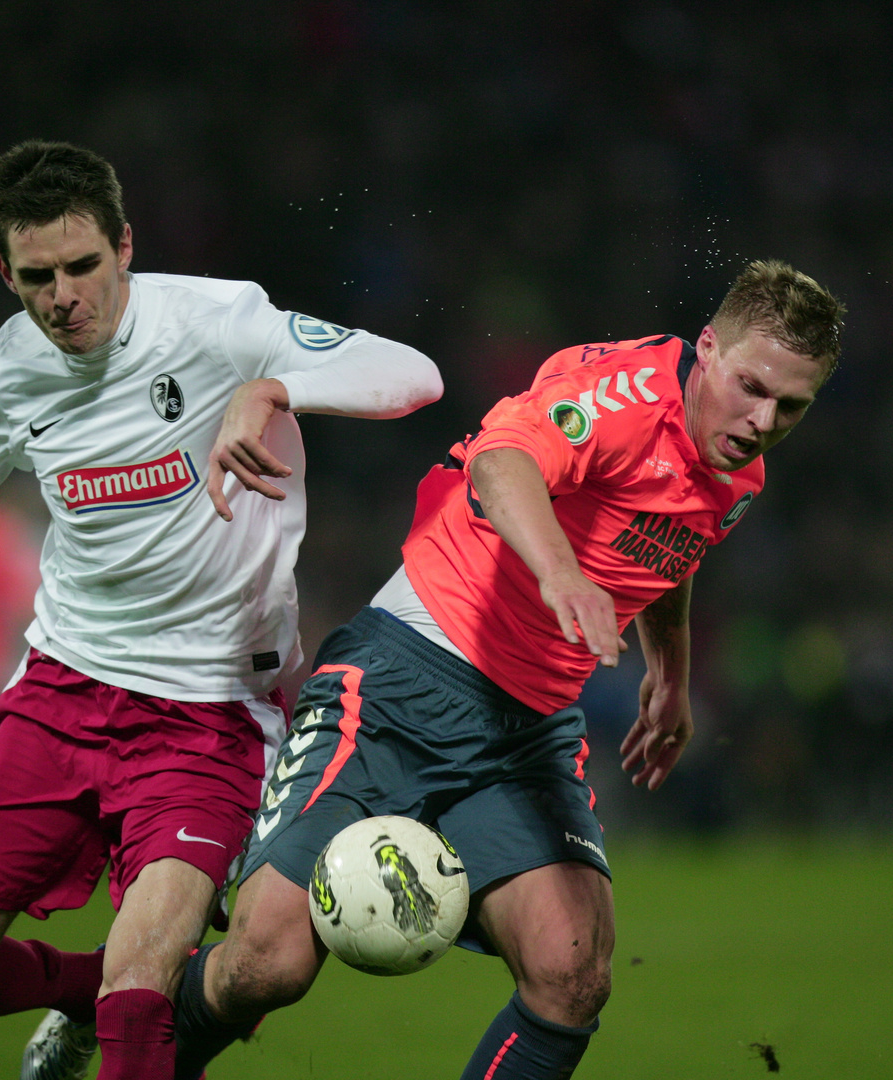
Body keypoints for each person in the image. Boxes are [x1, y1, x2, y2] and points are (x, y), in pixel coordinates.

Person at [0, 139, 442, 1080]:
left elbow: (415, 374)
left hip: (206, 717)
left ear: (125, 245)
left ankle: (120, 993)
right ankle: (81, 988)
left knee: (141, 999)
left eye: (84, 266)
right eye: (39, 276)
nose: (64, 297)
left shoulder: (221, 322)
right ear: (4, 271)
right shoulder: (17, 360)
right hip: (59, 695)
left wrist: (272, 388)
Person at [154, 259, 846, 1080]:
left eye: (790, 406)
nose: (762, 419)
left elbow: (664, 541)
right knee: (266, 967)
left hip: (527, 731)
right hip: (400, 681)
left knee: (572, 974)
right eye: (749, 386)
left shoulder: (738, 469)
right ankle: (133, 1013)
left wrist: (672, 669)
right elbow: (500, 462)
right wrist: (558, 572)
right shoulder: (621, 397)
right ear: (707, 348)